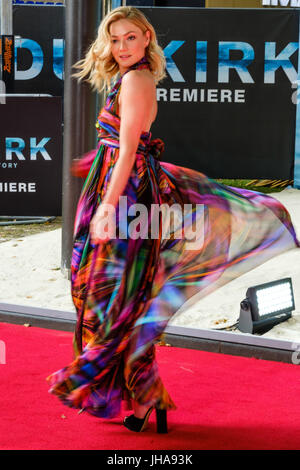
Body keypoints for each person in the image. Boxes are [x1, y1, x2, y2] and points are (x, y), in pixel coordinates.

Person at [47, 6, 299, 433]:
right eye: (115, 39)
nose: (122, 46)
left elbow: (129, 150)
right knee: (115, 295)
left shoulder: (135, 79)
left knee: (115, 297)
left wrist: (107, 206)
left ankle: (139, 394)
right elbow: (124, 143)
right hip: (121, 188)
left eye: (130, 37)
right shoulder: (129, 79)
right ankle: (141, 394)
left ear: (147, 38)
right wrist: (95, 163)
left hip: (125, 199)